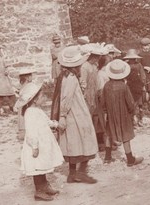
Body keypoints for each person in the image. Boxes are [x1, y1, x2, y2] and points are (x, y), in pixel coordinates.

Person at [14, 83, 63, 201]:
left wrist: (55, 124)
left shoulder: (37, 110)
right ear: (35, 100)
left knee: (42, 165)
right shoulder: (30, 113)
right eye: (42, 96)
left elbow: (46, 121)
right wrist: (34, 146)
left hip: (44, 143)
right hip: (36, 144)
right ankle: (39, 191)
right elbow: (31, 132)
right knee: (37, 167)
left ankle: (45, 185)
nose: (44, 98)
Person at [57, 45, 98, 183]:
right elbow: (66, 98)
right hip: (75, 114)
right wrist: (62, 115)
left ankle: (73, 173)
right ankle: (80, 172)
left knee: (74, 143)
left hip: (76, 112)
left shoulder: (68, 76)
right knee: (84, 139)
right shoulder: (71, 78)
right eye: (79, 65)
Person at [102, 59, 144, 166]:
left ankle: (107, 157)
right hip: (123, 114)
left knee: (109, 133)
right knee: (126, 135)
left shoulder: (106, 86)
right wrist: (132, 112)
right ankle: (130, 159)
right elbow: (130, 102)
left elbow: (103, 102)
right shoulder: (124, 87)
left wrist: (106, 111)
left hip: (111, 114)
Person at [80, 44, 108, 152]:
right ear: (90, 56)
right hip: (87, 97)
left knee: (98, 118)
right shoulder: (84, 67)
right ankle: (88, 144)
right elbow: (83, 83)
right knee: (88, 119)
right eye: (95, 57)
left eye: (98, 57)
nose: (97, 59)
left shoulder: (94, 66)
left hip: (95, 96)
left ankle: (98, 141)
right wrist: (85, 96)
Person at [123, 49, 146, 127]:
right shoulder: (126, 65)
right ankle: (132, 119)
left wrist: (143, 85)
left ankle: (141, 119)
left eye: (133, 59)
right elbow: (123, 75)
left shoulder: (139, 65)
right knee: (131, 103)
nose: (132, 60)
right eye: (131, 59)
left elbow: (143, 75)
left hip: (138, 84)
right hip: (129, 85)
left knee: (140, 103)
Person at [17, 68, 36, 140]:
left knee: (27, 119)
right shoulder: (26, 86)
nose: (32, 77)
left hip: (26, 105)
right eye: (30, 76)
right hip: (24, 106)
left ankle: (28, 133)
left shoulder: (31, 86)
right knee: (23, 119)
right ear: (26, 77)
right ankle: (25, 133)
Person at [0, 45, 16, 116]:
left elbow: (7, 67)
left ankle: (12, 107)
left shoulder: (2, 58)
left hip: (4, 78)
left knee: (10, 93)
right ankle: (0, 109)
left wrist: (7, 71)